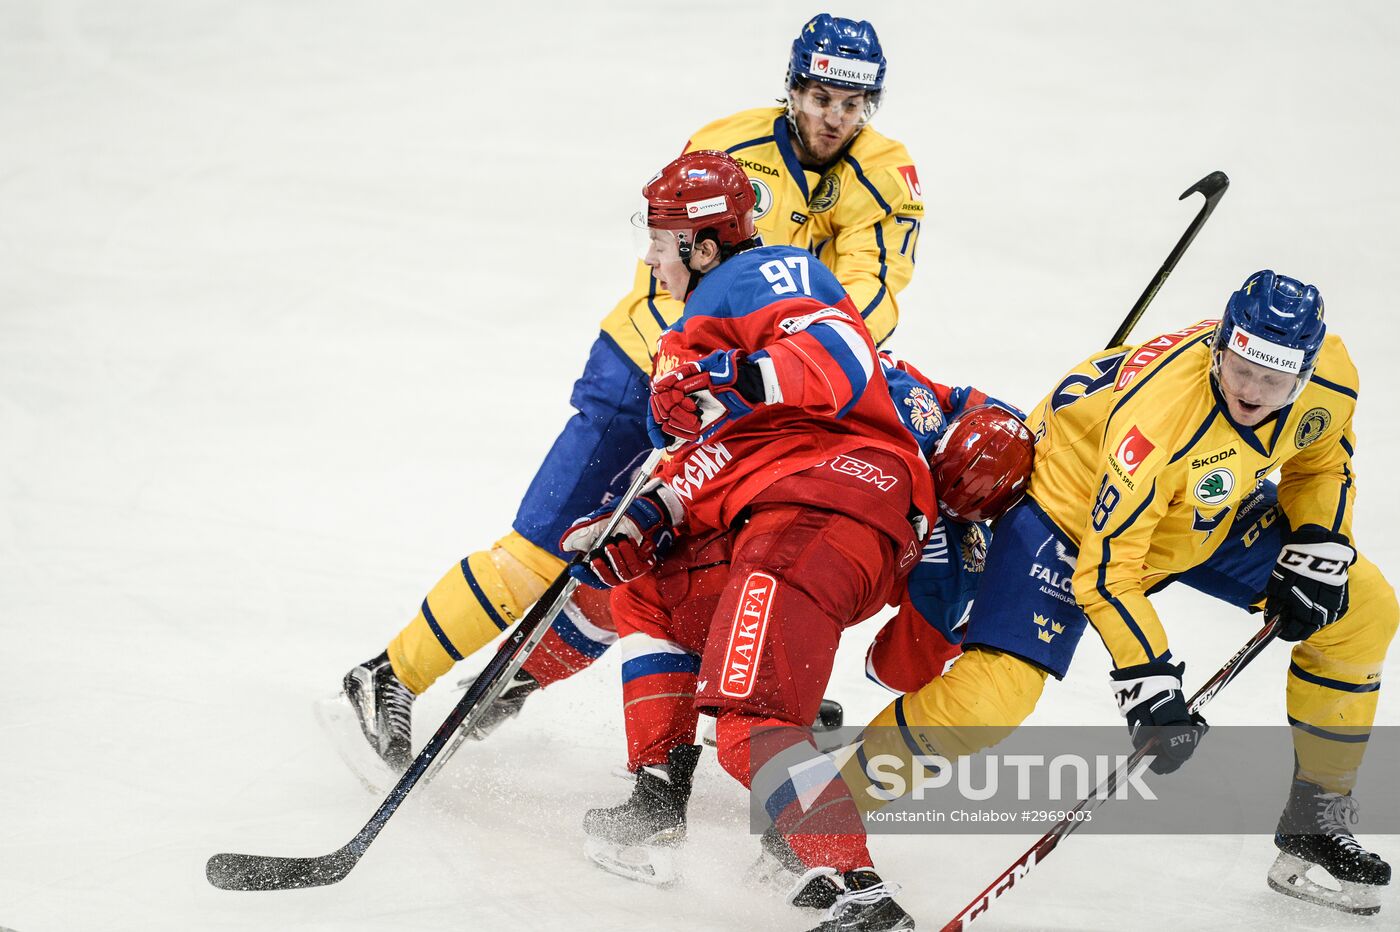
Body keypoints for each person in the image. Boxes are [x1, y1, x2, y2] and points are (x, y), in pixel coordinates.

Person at [339, 12, 926, 774]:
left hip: (758, 393)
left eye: (854, 105)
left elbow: (871, 295)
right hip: (644, 371)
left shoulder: (888, 173)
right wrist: (693, 377)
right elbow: (665, 272)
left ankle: (726, 688)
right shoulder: (730, 148)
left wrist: (779, 365)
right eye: (820, 99)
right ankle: (390, 673)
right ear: (793, 90)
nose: (835, 119)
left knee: (722, 555)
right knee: (538, 555)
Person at [561, 149, 1032, 932]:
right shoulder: (707, 329)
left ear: (705, 245)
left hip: (820, 515)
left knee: (752, 722)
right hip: (796, 515)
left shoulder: (763, 276)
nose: (650, 255)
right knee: (649, 589)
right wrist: (659, 511)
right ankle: (657, 800)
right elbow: (732, 446)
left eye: (663, 237)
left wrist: (733, 378)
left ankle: (858, 893)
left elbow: (839, 356)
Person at [851, 271, 1397, 916]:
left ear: (1305, 373)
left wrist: (1321, 538)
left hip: (1196, 510)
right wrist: (1151, 685)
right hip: (1071, 511)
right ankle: (822, 809)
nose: (1251, 393)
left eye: (1273, 381)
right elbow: (1111, 570)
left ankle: (1315, 816)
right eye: (1240, 367)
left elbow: (1321, 459)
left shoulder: (1332, 376)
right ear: (1221, 345)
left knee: (1364, 610)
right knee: (992, 697)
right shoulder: (1155, 422)